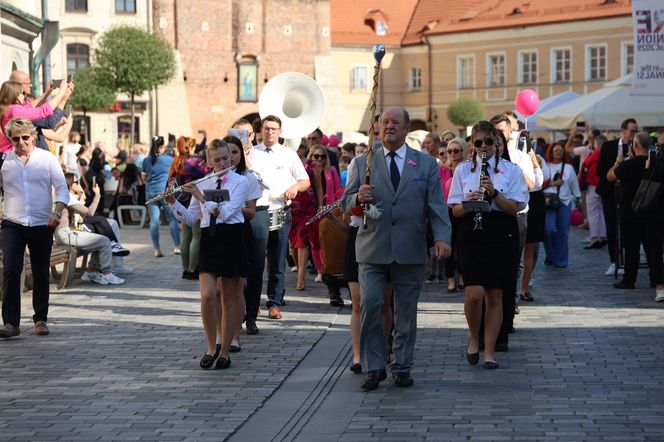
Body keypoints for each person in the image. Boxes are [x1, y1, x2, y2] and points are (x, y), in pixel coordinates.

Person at [341, 107, 452, 391]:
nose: (389, 127)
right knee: (372, 304)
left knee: (405, 311)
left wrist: (442, 238)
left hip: (410, 247)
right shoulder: (362, 162)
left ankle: (402, 366)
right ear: (377, 128)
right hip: (371, 246)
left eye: (395, 123)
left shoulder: (425, 165)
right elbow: (345, 204)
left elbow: (436, 205)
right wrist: (357, 196)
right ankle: (374, 366)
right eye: (384, 122)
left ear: (406, 130)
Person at [447, 120, 528, 369]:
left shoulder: (510, 170)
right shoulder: (462, 170)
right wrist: (469, 202)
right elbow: (454, 210)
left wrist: (494, 194)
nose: (484, 147)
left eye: (489, 142)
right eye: (479, 142)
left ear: (497, 143)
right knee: (474, 294)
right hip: (472, 231)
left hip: (500, 232)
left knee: (495, 295)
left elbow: (515, 208)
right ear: (473, 144)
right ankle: (474, 336)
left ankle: (489, 351)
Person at [167, 139, 249, 369]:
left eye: (226, 158)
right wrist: (174, 203)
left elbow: (227, 213)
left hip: (231, 237)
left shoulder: (240, 182)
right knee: (207, 295)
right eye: (217, 160)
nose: (223, 162)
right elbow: (193, 218)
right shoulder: (204, 182)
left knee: (229, 297)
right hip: (209, 240)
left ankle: (225, 351)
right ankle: (211, 346)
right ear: (209, 161)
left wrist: (203, 198)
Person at [0, 118, 69, 339]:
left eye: (25, 137)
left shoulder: (47, 159)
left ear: (32, 137)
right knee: (11, 270)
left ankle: (40, 318)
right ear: (10, 140)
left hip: (42, 222)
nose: (21, 142)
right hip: (13, 222)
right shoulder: (4, 161)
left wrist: (57, 212)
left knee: (40, 271)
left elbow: (62, 190)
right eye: (15, 139)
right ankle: (11, 323)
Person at [254, 115, 310, 320]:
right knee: (256, 259)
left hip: (279, 209)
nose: (270, 132)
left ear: (280, 131)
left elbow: (305, 181)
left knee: (277, 258)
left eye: (274, 129)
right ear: (261, 130)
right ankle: (253, 302)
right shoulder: (252, 152)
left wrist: (295, 187)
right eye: (267, 128)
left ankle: (274, 302)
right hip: (258, 211)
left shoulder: (288, 154)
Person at [607, 132, 662, 292]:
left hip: (631, 212)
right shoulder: (657, 164)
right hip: (654, 212)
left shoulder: (627, 165)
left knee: (631, 248)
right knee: (654, 248)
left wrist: (618, 161)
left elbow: (610, 176)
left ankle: (629, 280)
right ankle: (656, 280)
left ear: (635, 146)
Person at [222, 135, 261, 352]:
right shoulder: (214, 178)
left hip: (239, 232)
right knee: (220, 291)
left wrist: (230, 206)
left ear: (241, 154)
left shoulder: (248, 178)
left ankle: (235, 335)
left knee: (236, 290)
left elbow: (252, 212)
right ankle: (221, 334)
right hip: (218, 233)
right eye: (226, 154)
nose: (230, 158)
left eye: (235, 153)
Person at [54, 174, 125, 285]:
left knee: (98, 236)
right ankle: (107, 274)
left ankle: (91, 271)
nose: (79, 185)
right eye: (76, 183)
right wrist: (97, 195)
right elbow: (90, 212)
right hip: (64, 234)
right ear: (68, 184)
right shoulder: (65, 196)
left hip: (64, 233)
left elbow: (81, 218)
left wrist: (81, 194)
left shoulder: (60, 195)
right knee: (104, 241)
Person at [596, 118, 638, 275]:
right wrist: (616, 167)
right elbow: (599, 170)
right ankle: (614, 261)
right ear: (623, 130)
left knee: (628, 227)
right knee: (612, 226)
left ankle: (628, 261)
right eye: (632, 131)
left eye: (636, 131)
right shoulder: (609, 146)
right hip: (610, 191)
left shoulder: (639, 147)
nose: (634, 134)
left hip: (629, 192)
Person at [169, 136, 206, 279]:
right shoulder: (192, 162)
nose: (194, 149)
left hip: (180, 202)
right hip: (194, 201)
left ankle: (185, 269)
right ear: (188, 147)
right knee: (196, 236)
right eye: (192, 146)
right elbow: (206, 175)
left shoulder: (175, 162)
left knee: (186, 237)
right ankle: (193, 269)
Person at [0, 80, 72, 153]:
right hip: (16, 155)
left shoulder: (8, 110)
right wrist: (62, 93)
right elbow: (44, 111)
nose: (24, 96)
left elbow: (30, 107)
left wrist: (48, 91)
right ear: (15, 95)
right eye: (22, 93)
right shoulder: (14, 111)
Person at [543, 143, 581, 268]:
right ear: (551, 152)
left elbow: (574, 184)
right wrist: (553, 183)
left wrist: (578, 198)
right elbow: (539, 184)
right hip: (549, 201)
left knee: (563, 232)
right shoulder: (545, 166)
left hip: (565, 202)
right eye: (556, 150)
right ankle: (550, 255)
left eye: (561, 150)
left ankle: (560, 260)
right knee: (548, 230)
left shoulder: (569, 168)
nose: (559, 152)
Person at [143, 136, 181, 257]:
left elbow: (144, 178)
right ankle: (177, 246)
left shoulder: (146, 160)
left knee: (154, 221)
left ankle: (157, 249)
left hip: (150, 192)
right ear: (161, 147)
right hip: (164, 192)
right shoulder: (169, 159)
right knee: (171, 219)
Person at [440, 137, 468, 292]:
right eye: (449, 151)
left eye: (456, 150)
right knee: (448, 246)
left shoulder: (468, 169)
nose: (452, 153)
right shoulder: (443, 170)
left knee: (462, 245)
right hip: (446, 212)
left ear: (463, 151)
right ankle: (450, 278)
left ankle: (463, 276)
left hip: (463, 211)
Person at [580, 135, 607, 249]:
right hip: (603, 185)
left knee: (592, 211)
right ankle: (603, 236)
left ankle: (595, 237)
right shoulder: (607, 153)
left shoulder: (596, 153)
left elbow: (586, 163)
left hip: (593, 184)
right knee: (601, 212)